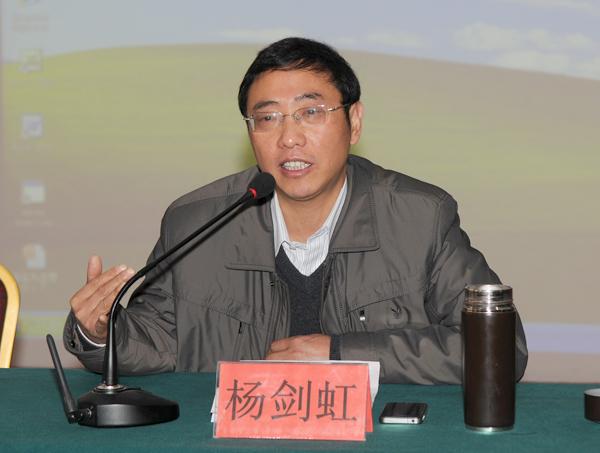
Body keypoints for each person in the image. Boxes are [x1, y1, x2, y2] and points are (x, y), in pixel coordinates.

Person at [64, 37, 528, 384]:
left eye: (311, 113)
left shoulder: (421, 217)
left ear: (354, 122)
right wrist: (98, 332)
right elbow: (155, 341)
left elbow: (498, 349)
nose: (289, 138)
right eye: (268, 118)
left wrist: (341, 355)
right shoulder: (196, 222)